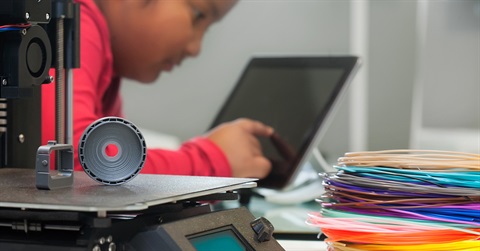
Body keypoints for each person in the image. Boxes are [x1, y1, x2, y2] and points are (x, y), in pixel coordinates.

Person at [41, 0, 274, 179]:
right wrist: (210, 161)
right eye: (198, 15)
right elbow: (71, 162)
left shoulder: (109, 68)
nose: (196, 48)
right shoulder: (69, 19)